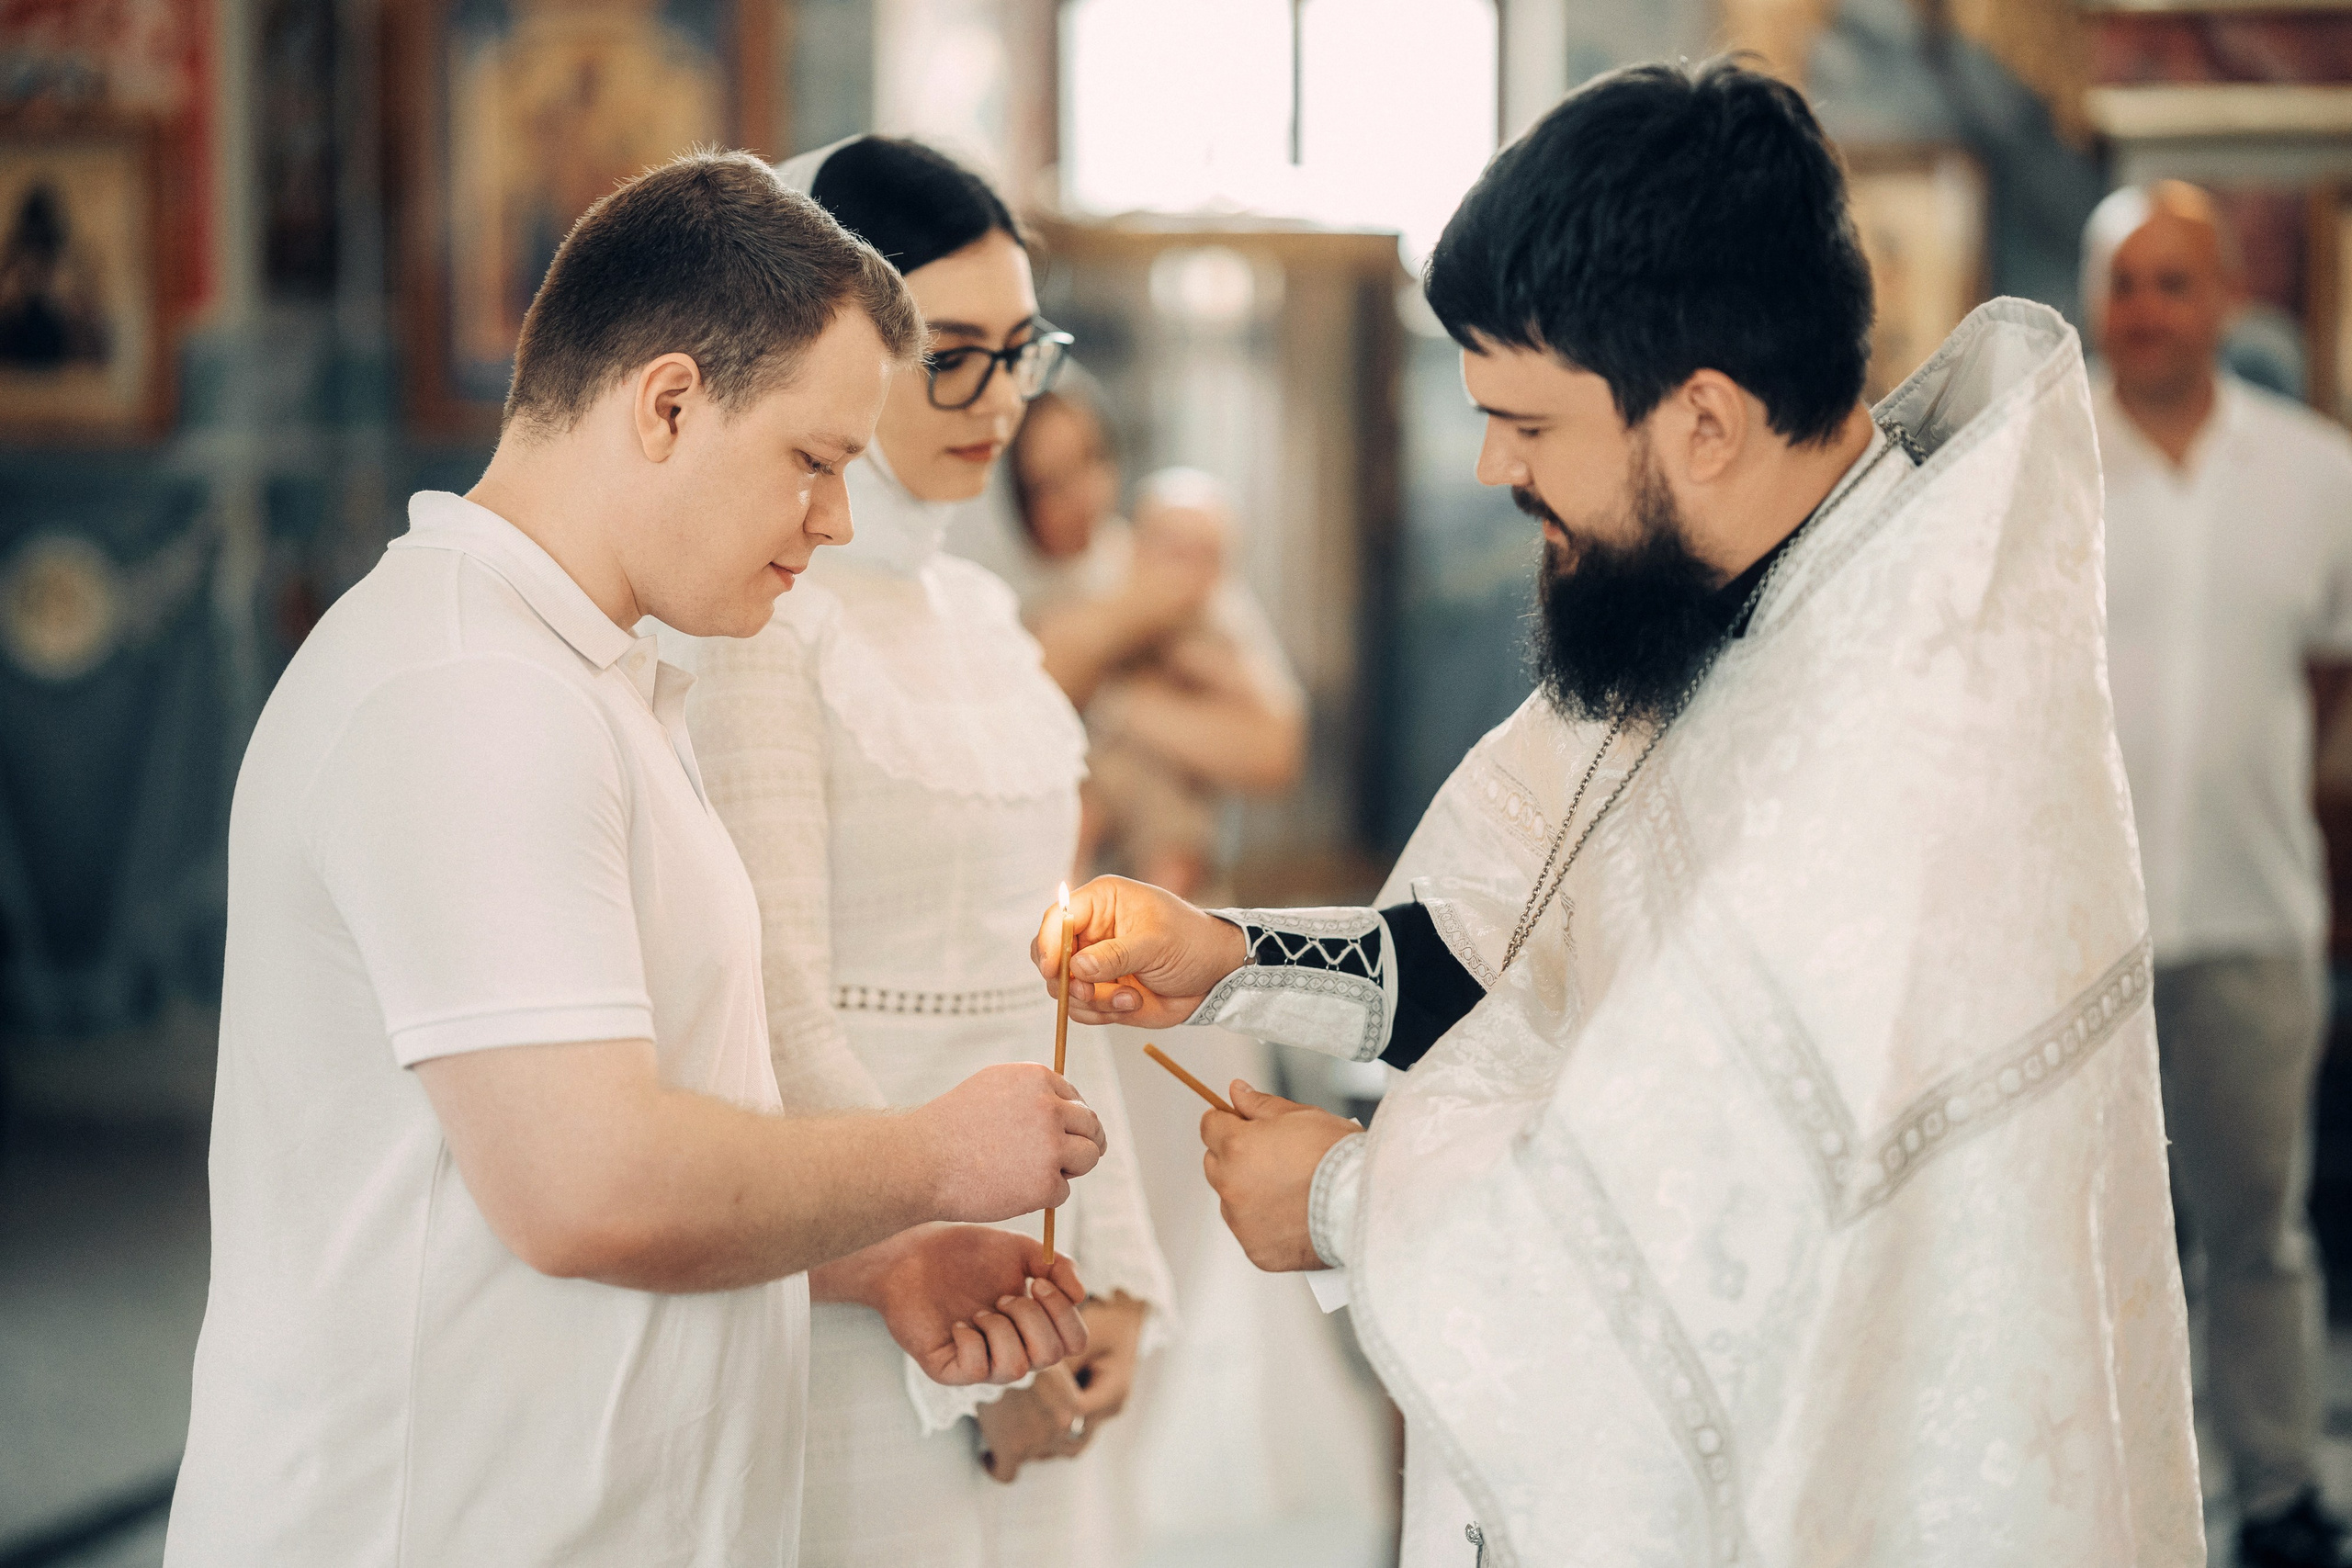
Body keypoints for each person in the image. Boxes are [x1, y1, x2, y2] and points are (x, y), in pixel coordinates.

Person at [1033, 61, 2202, 1566]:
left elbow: (1690, 1259)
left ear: (1704, 418)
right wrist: (1228, 957)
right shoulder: (1725, 602)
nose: (1492, 467)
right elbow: (1511, 951)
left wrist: (1338, 1200)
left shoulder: (1907, 729)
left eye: (1525, 420)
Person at [164, 152, 1106, 1568]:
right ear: (667, 404)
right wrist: (930, 1158)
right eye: (813, 461)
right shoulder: (470, 691)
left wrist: (878, 1261)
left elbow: (634, 1120)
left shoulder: (583, 675)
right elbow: (586, 1182)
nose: (839, 518)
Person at [657, 137, 1175, 1568]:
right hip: (865, 1294)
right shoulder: (762, 619)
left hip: (1037, 1265)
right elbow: (779, 1014)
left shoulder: (989, 626)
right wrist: (974, 1325)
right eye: (951, 356)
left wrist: (1112, 1270)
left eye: (1023, 353)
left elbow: (1053, 985)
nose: (1001, 400)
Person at [2088, 180, 2352, 1568]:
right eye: (2124, 282)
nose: (2146, 309)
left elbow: (2336, 674)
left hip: (2254, 914)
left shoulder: (2317, 476)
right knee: (2087, 1246)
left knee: (2259, 1229)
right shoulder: (2042, 466)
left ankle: (2279, 1492)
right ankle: (2104, 1513)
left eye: (2173, 281)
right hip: (2077, 931)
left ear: (2228, 301)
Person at [956, 377, 1306, 897]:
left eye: (1092, 458)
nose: (1085, 493)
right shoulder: (981, 593)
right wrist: (1137, 610)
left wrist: (1119, 703)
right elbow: (1026, 692)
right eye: (1049, 484)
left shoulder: (1162, 554)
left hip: (1179, 887)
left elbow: (1274, 748)